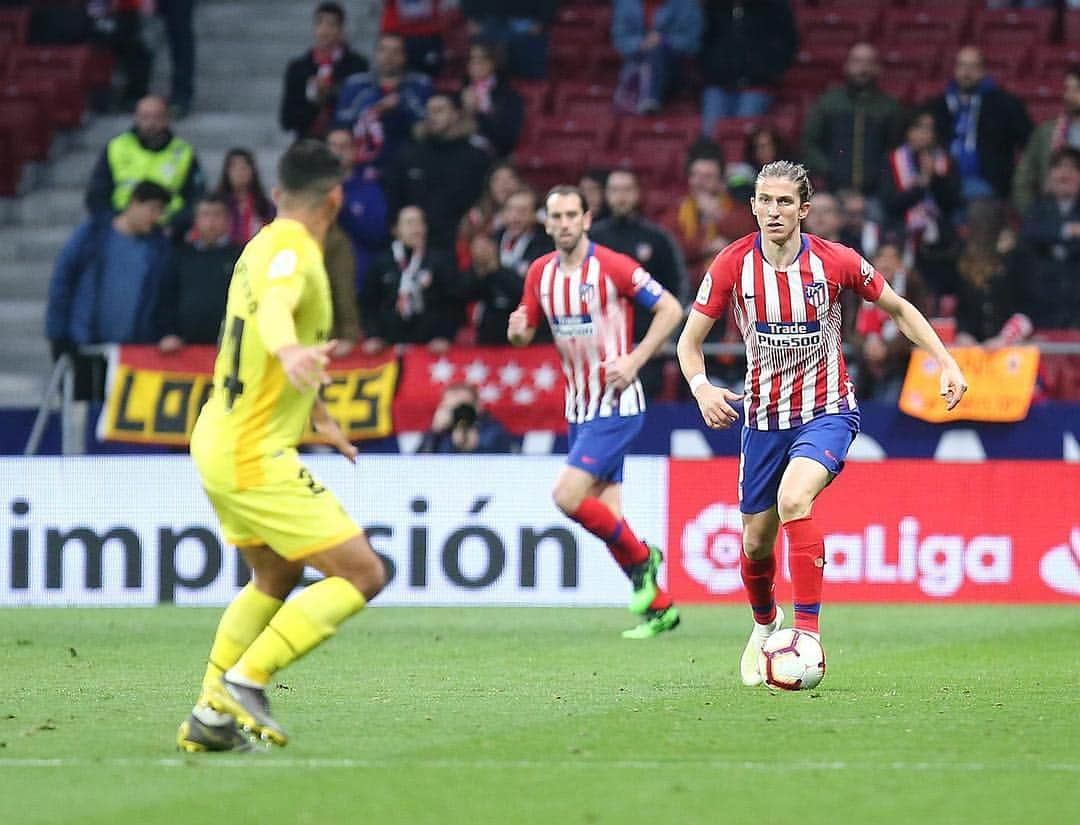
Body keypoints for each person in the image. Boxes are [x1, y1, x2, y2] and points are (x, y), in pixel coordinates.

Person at [675, 160, 967, 685]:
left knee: (794, 500)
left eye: (785, 202)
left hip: (827, 410)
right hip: (763, 419)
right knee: (754, 545)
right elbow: (689, 342)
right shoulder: (730, 265)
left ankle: (807, 635)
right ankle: (766, 625)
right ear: (754, 207)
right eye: (765, 200)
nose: (773, 210)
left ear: (804, 210)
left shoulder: (836, 261)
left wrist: (945, 360)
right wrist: (700, 388)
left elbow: (900, 309)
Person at [177, 139, 387, 752]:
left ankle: (208, 717)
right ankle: (246, 680)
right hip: (250, 449)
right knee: (364, 573)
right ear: (336, 197)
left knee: (275, 571)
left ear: (277, 194)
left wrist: (315, 411)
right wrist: (292, 349)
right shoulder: (297, 249)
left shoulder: (260, 245)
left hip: (219, 436)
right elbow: (276, 312)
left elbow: (266, 324)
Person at [507, 184, 686, 639]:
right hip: (579, 407)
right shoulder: (540, 273)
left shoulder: (612, 266)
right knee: (608, 514)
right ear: (546, 224)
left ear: (587, 219)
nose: (565, 223)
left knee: (567, 496)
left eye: (572, 215)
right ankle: (660, 609)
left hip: (618, 405)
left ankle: (645, 558)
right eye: (556, 216)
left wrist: (635, 361)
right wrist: (518, 332)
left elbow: (669, 308)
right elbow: (525, 331)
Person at [47, 181, 174, 400]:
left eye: (160, 212)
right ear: (133, 203)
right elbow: (63, 281)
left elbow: (161, 297)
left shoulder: (158, 248)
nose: (155, 217)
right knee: (82, 412)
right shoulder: (93, 235)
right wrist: (58, 334)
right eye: (152, 209)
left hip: (130, 353)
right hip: (84, 345)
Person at [591, 169, 688, 397]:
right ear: (606, 195)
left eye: (627, 190)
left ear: (637, 194)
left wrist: (665, 337)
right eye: (615, 190)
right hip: (600, 348)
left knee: (645, 414)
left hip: (647, 350)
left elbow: (678, 290)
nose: (621, 197)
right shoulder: (592, 239)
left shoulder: (658, 238)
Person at [384, 92, 492, 251]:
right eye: (430, 111)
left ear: (456, 114)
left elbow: (484, 198)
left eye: (440, 110)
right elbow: (394, 196)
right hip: (415, 243)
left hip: (459, 243)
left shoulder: (476, 156)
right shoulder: (409, 154)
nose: (433, 116)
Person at [85, 95, 205, 235]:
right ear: (136, 117)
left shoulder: (184, 153)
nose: (151, 123)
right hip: (121, 227)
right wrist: (114, 222)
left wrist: (175, 225)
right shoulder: (116, 147)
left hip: (167, 231)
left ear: (167, 119)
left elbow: (196, 197)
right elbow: (96, 194)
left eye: (157, 117)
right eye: (145, 117)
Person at [926, 46, 1033, 203]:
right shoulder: (938, 105)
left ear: (983, 71)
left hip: (987, 185)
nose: (966, 72)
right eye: (961, 66)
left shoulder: (1005, 105)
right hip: (943, 183)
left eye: (972, 67)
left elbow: (1028, 142)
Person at [801, 43, 904, 198]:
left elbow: (895, 149)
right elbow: (809, 143)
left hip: (876, 194)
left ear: (877, 68)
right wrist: (829, 170)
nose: (862, 68)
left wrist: (880, 175)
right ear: (847, 66)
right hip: (833, 190)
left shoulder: (889, 108)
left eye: (868, 62)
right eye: (857, 61)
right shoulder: (828, 103)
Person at [360, 204, 461, 353]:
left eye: (419, 222)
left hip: (430, 348)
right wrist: (373, 335)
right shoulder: (382, 262)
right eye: (409, 223)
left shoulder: (440, 261)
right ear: (396, 230)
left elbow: (452, 303)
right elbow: (369, 303)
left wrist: (444, 335)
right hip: (388, 346)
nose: (416, 228)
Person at [334, 33, 432, 173]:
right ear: (375, 54)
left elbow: (427, 125)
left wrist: (401, 108)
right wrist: (375, 110)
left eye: (395, 52)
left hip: (407, 163)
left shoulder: (420, 84)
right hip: (360, 164)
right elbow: (341, 123)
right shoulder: (355, 84)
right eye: (383, 50)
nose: (388, 57)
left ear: (404, 56)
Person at [699, 0, 797, 137]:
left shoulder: (774, 6)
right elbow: (701, 44)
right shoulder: (713, 8)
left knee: (743, 138)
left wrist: (768, 71)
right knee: (709, 137)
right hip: (718, 85)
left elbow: (788, 42)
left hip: (757, 84)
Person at [157, 194, 243, 351]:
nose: (211, 222)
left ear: (228, 220)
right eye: (205, 215)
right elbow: (167, 298)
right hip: (183, 349)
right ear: (195, 220)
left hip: (230, 347)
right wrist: (168, 333)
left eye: (217, 215)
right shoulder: (181, 256)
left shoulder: (242, 255)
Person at [280, 2, 370, 141]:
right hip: (307, 142)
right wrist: (312, 98)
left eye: (331, 25)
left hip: (344, 141)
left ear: (341, 30)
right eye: (320, 23)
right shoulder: (298, 68)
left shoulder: (357, 65)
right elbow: (287, 120)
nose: (324, 30)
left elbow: (359, 109)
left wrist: (329, 94)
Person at [665, 152, 757, 282]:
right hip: (689, 284)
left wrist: (717, 214)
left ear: (721, 182)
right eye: (695, 176)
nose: (700, 183)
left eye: (707, 177)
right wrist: (705, 247)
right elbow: (671, 248)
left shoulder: (736, 208)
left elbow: (751, 237)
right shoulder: (677, 211)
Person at [1017, 147, 1080, 330]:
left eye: (1073, 168)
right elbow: (1030, 235)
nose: (1065, 174)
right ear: (1049, 176)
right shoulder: (1037, 210)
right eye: (1059, 167)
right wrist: (1069, 230)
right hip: (1042, 307)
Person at [325, 127, 389, 295]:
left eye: (344, 146)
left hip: (357, 283)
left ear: (354, 151)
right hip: (319, 283)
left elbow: (377, 234)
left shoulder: (370, 190)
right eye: (333, 146)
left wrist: (343, 209)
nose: (338, 152)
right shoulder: (309, 189)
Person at [611, 0, 703, 115]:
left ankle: (649, 97)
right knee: (650, 55)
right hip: (637, 63)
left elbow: (692, 43)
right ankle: (645, 96)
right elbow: (620, 40)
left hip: (676, 70)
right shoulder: (626, 3)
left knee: (658, 51)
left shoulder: (687, 4)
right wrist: (642, 43)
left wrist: (664, 41)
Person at [1013, 66, 1080, 215]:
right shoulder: (1046, 132)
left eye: (1076, 90)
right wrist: (1032, 215)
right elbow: (1023, 178)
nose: (1069, 95)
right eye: (1067, 89)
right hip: (1051, 213)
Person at [460, 40, 525, 157]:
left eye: (482, 58)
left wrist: (477, 112)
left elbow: (508, 138)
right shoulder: (457, 93)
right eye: (472, 59)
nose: (476, 62)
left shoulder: (509, 97)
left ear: (494, 62)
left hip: (493, 156)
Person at [417, 382, 517, 453]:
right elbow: (418, 466)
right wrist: (434, 432)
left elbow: (502, 462)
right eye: (451, 407)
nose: (458, 413)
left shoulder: (493, 430)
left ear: (477, 406)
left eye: (462, 407)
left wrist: (474, 447)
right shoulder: (439, 433)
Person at [216, 148, 276, 245]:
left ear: (252, 171)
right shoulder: (217, 205)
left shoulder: (265, 207)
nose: (239, 173)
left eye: (244, 167)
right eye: (234, 168)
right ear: (227, 172)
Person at [494, 187, 552, 277]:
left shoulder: (546, 245)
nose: (515, 218)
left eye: (522, 211)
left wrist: (494, 268)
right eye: (510, 210)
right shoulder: (493, 239)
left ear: (534, 215)